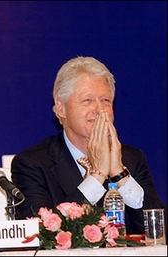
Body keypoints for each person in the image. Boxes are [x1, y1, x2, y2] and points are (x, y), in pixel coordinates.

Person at [11, 56, 167, 236]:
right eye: (87, 101)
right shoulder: (32, 164)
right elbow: (45, 236)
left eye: (105, 100)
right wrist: (97, 175)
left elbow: (159, 232)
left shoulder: (132, 159)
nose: (100, 109)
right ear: (61, 108)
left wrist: (119, 174)